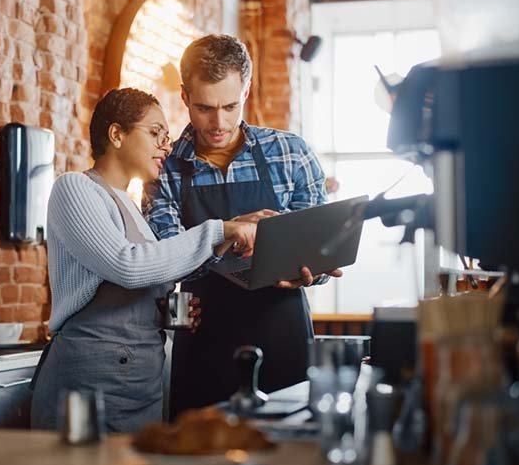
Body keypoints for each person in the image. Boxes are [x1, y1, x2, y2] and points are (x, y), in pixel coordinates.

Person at [30, 88, 256, 433]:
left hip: (139, 385)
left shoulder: (131, 207)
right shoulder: (73, 188)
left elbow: (131, 284)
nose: (165, 146)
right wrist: (217, 231)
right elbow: (128, 266)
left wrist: (164, 313)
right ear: (116, 134)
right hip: (90, 382)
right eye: (155, 134)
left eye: (166, 137)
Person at [144, 34, 343, 419]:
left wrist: (313, 272)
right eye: (204, 108)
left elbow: (320, 246)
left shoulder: (291, 152)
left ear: (246, 90)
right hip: (205, 341)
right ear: (184, 96)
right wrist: (227, 231)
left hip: (283, 333)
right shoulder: (162, 168)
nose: (218, 122)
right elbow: (165, 258)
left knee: (289, 463)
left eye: (230, 106)